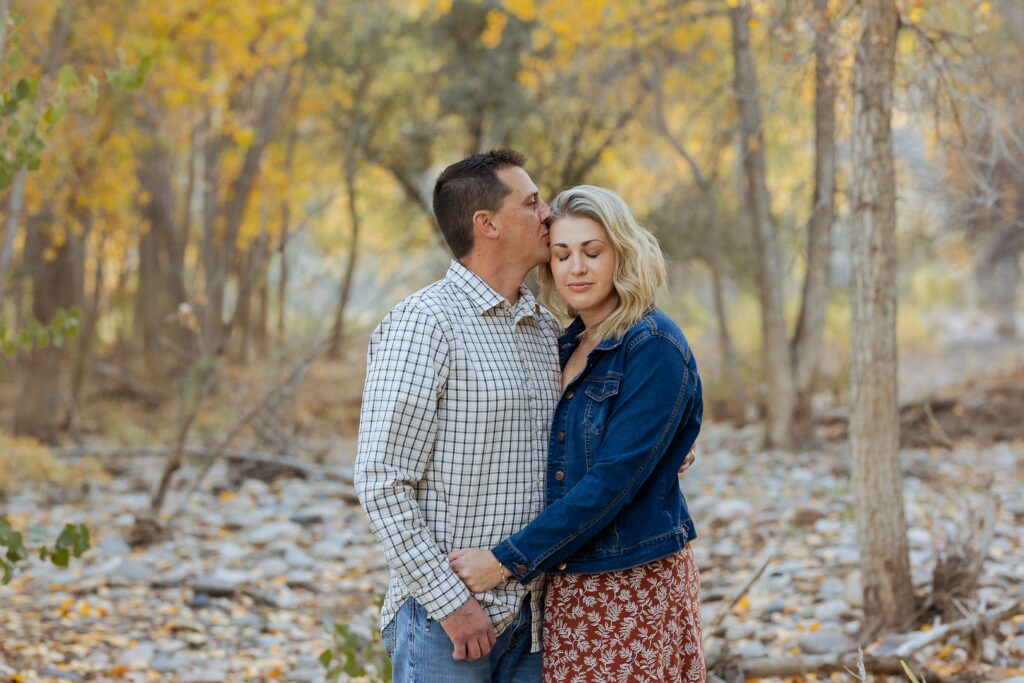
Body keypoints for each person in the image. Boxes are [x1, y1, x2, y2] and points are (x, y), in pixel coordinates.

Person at [450, 185, 705, 682]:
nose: (577, 268)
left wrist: (505, 560)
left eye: (593, 252)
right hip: (568, 586)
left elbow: (613, 481)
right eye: (562, 254)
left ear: (621, 255)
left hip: (630, 584)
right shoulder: (567, 342)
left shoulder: (652, 344)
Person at [354, 149, 561, 681]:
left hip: (535, 623)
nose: (548, 215)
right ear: (486, 224)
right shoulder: (423, 324)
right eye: (533, 203)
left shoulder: (544, 328)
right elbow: (381, 480)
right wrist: (452, 605)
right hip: (444, 625)